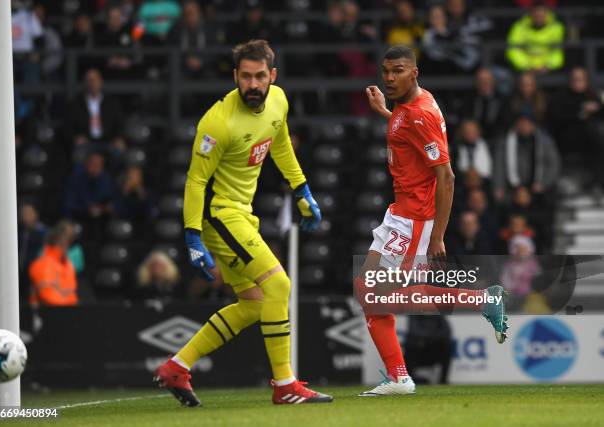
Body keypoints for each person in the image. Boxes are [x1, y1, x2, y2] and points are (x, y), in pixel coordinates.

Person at [153, 40, 332, 406]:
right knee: (279, 286)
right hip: (219, 214)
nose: (253, 84)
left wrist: (302, 190)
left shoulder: (279, 101)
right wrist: (191, 236)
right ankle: (285, 386)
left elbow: (280, 145)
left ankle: (176, 366)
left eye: (260, 76)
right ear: (235, 76)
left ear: (273, 76)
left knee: (254, 304)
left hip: (241, 214)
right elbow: (195, 181)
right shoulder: (217, 122)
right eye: (245, 77)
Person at [359, 45, 508, 396]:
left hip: (413, 220)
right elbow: (407, 131)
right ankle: (399, 376)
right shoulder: (411, 106)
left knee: (374, 296)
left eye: (397, 70)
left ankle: (400, 377)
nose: (390, 78)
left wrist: (437, 236)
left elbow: (448, 177)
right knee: (373, 295)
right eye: (386, 71)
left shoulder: (421, 112)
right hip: (400, 213)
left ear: (414, 72)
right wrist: (384, 112)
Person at [28, 220, 79, 306]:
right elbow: (48, 297)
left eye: (70, 240)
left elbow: (72, 294)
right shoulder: (42, 264)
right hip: (49, 314)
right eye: (67, 239)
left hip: (68, 313)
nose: (68, 245)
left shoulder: (68, 265)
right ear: (56, 240)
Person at [506, 2, 564, 72]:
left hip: (548, 69)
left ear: (547, 15)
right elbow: (513, 50)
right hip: (525, 70)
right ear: (531, 15)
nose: (539, 18)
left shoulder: (556, 27)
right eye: (536, 16)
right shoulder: (520, 26)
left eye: (542, 15)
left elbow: (557, 51)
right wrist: (527, 66)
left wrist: (549, 65)